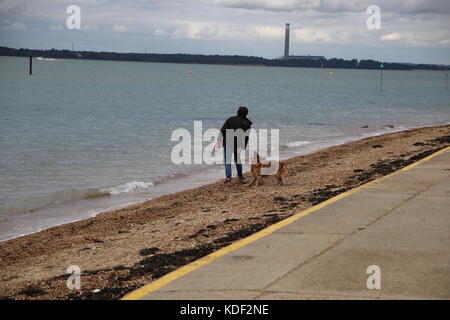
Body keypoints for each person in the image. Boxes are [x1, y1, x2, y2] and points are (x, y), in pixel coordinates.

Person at [220, 106, 253, 184]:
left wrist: (226, 138)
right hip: (238, 144)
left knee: (227, 160)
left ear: (237, 112)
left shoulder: (230, 119)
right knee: (237, 159)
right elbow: (246, 136)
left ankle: (228, 178)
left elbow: (222, 130)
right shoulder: (247, 122)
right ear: (246, 113)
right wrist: (243, 146)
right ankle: (240, 177)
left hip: (228, 142)